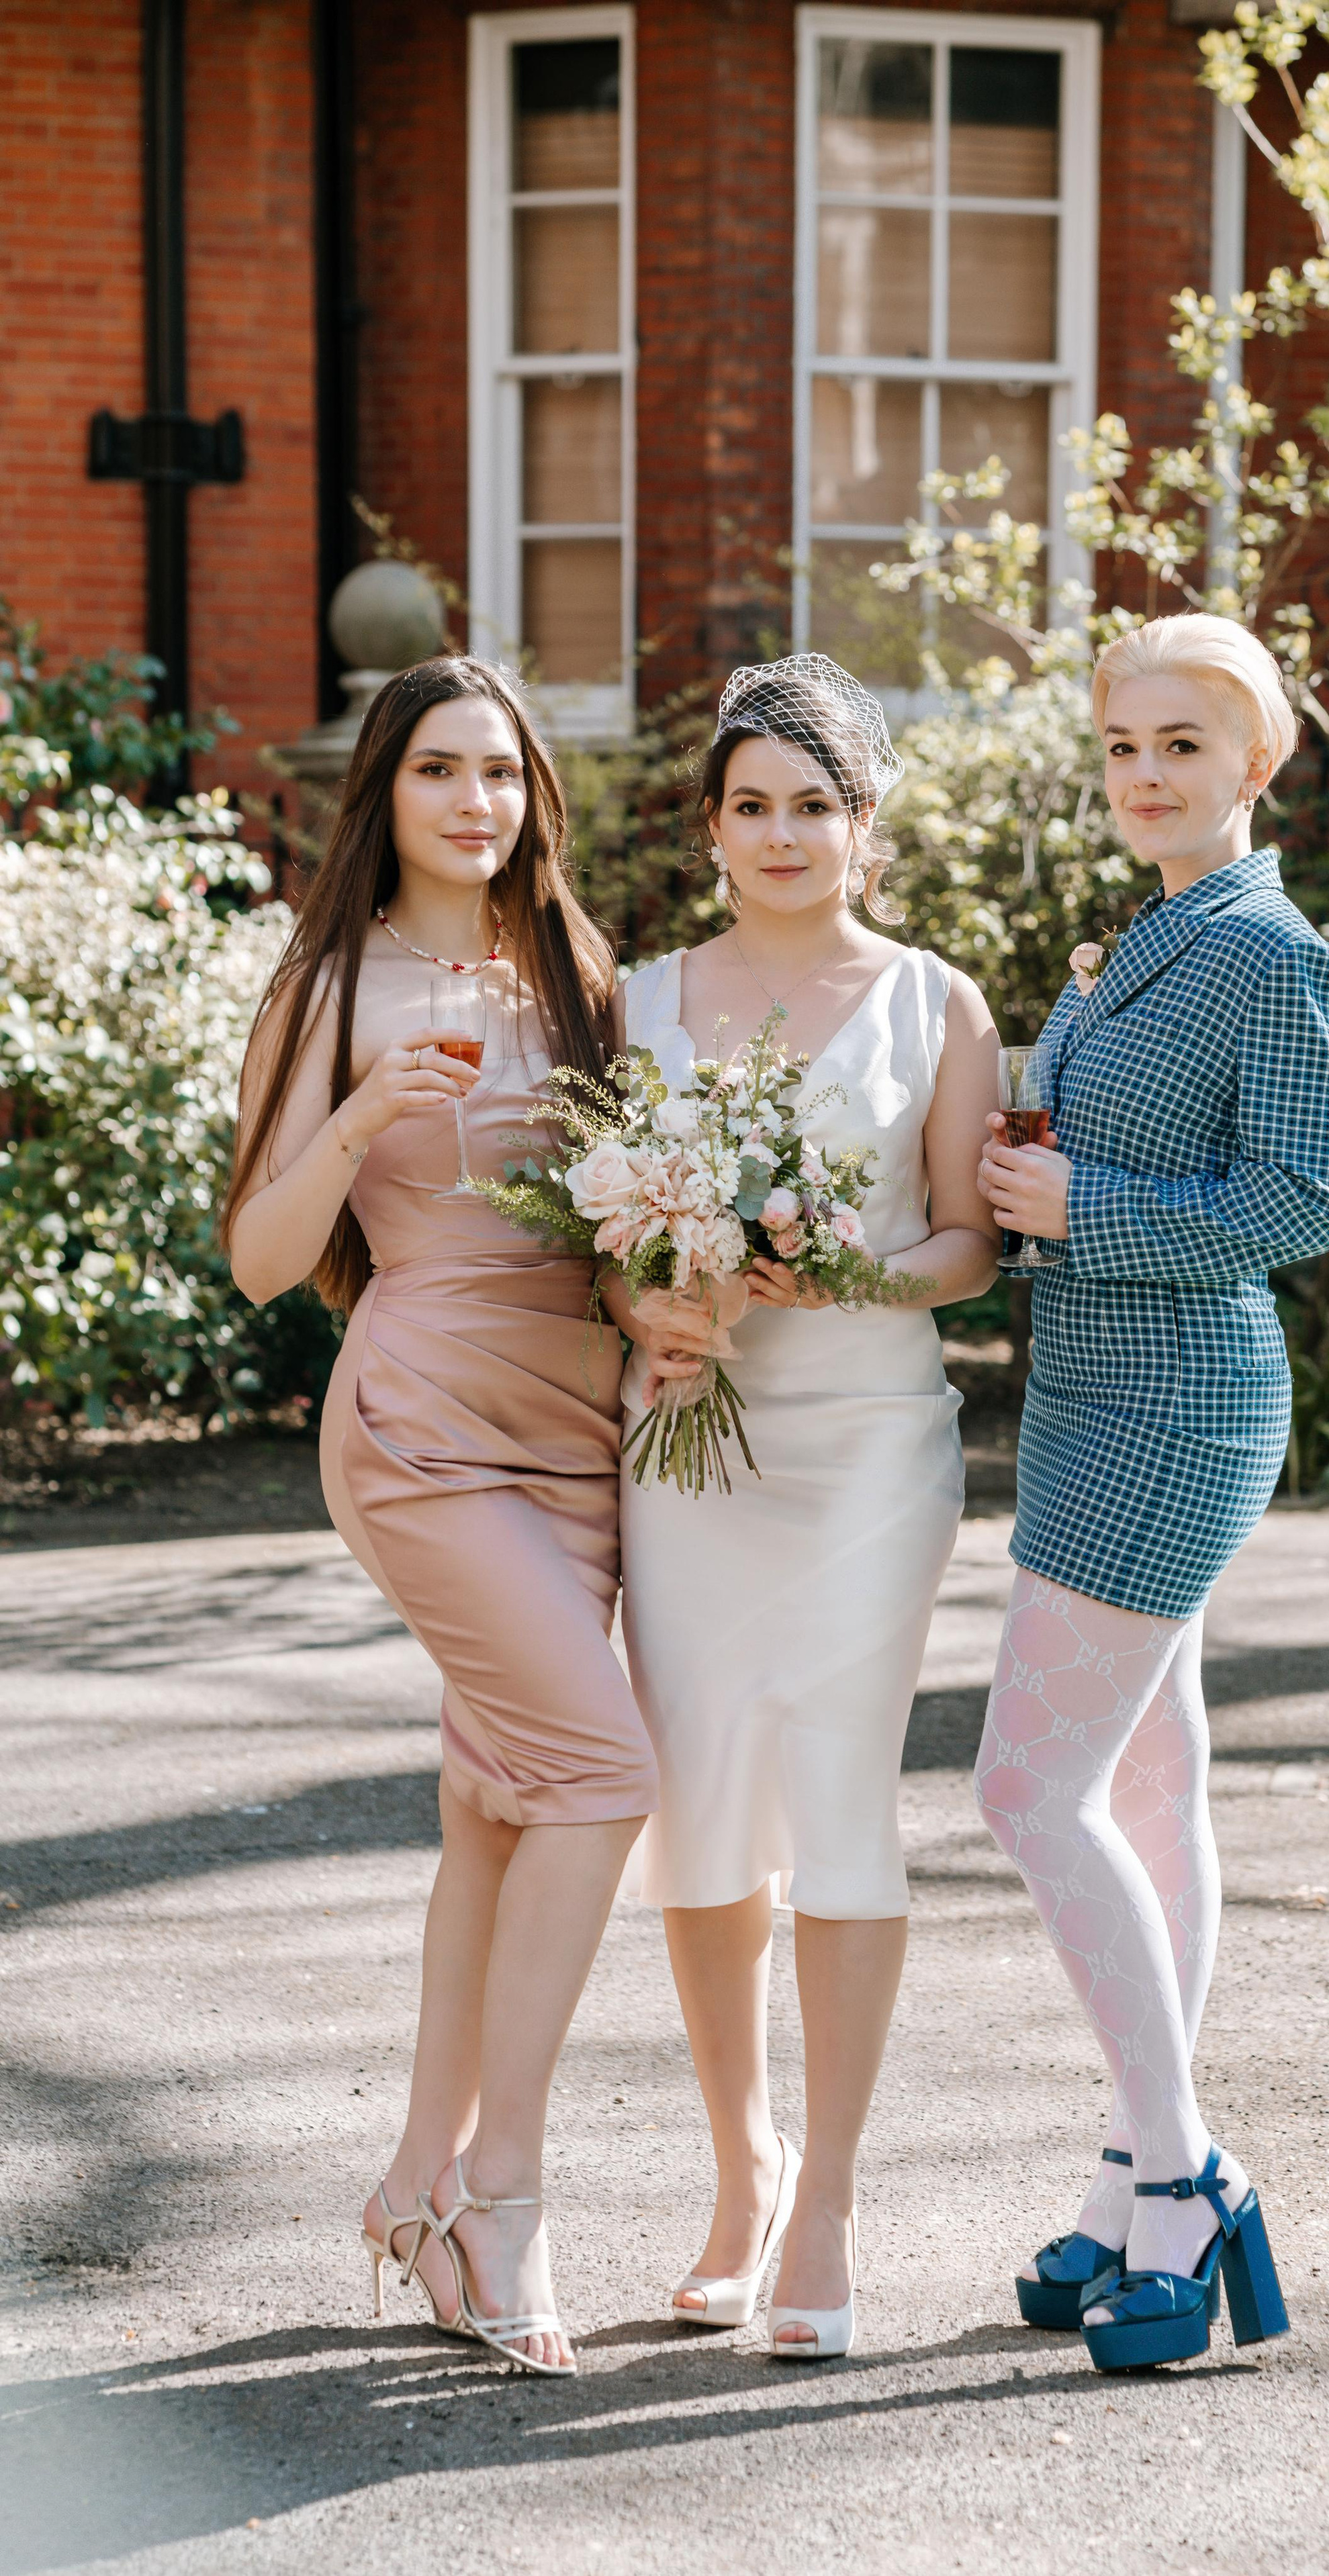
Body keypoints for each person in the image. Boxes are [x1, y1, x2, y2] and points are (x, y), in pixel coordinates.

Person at [224, 657, 657, 2377]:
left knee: (500, 1800)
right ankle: (506, 2192)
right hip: (419, 1416)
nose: (475, 802)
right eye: (438, 773)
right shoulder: (326, 984)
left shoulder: (581, 969)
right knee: (605, 1772)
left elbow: (632, 1210)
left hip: (580, 1421)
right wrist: (357, 1114)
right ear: (384, 797)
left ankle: (413, 2178)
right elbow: (264, 1257)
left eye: (499, 772)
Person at [973, 613, 1329, 2373]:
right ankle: (1139, 2167)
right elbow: (1122, 1144)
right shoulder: (1142, 939)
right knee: (1152, 1776)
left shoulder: (1271, 951)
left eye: (1184, 745)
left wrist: (1084, 1212)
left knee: (1025, 1787)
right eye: (1124, 744)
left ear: (1255, 764)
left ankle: (1192, 2180)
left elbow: (1304, 1200)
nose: (1146, 773)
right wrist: (1020, 1158)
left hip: (1178, 1413)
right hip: (1085, 1395)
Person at [611, 655, 999, 2359]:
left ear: (863, 824)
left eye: (814, 804)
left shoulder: (938, 1004)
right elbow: (603, 1236)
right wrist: (658, 1306)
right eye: (752, 803)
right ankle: (739, 2168)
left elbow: (965, 1247)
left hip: (863, 1453)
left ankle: (830, 2197)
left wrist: (828, 1276)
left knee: (836, 1788)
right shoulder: (634, 1003)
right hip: (690, 1447)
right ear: (710, 825)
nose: (782, 833)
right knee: (700, 1804)